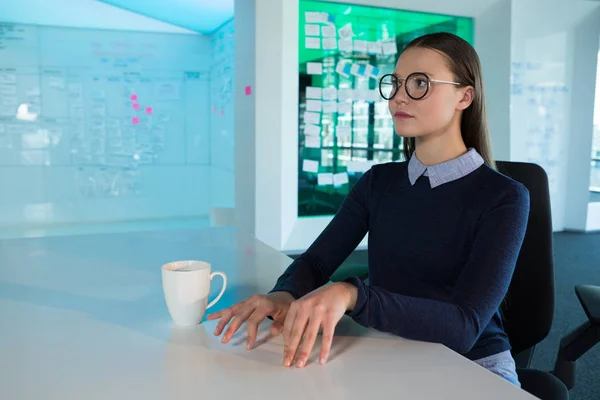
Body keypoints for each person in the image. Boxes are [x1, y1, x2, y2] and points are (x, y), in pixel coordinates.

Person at [207, 32, 529, 388]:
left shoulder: (505, 197)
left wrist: (352, 294)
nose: (399, 97)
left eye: (420, 83)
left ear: (464, 96)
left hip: (473, 365)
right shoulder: (379, 182)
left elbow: (463, 326)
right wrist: (285, 293)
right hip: (390, 350)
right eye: (396, 83)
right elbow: (316, 262)